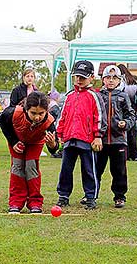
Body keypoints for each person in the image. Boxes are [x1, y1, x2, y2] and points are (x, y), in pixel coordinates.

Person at [55, 60, 107, 210]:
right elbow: (62, 116)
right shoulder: (69, 96)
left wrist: (98, 136)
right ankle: (63, 196)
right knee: (65, 169)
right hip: (69, 138)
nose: (79, 80)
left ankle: (91, 197)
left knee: (89, 169)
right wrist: (60, 132)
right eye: (77, 76)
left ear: (91, 77)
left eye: (83, 77)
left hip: (87, 139)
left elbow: (100, 117)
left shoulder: (94, 96)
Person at [0, 91, 58, 214]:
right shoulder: (13, 113)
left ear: (46, 111)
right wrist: (13, 141)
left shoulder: (49, 122)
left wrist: (52, 144)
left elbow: (54, 148)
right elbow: (3, 121)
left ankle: (35, 203)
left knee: (31, 168)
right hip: (17, 141)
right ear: (26, 109)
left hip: (35, 143)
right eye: (33, 113)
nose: (37, 117)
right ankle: (16, 202)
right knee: (17, 167)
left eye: (41, 113)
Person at [96, 65, 135, 208]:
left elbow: (131, 115)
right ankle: (91, 194)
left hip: (119, 141)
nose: (111, 80)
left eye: (114, 78)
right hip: (100, 140)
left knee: (119, 171)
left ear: (119, 80)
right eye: (108, 77)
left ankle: (119, 196)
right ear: (103, 79)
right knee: (96, 169)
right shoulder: (98, 95)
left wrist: (126, 123)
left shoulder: (123, 96)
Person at [117, 64, 137, 161]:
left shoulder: (119, 82)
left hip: (120, 110)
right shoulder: (134, 82)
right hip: (132, 109)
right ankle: (135, 154)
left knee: (123, 133)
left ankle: (125, 153)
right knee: (132, 133)